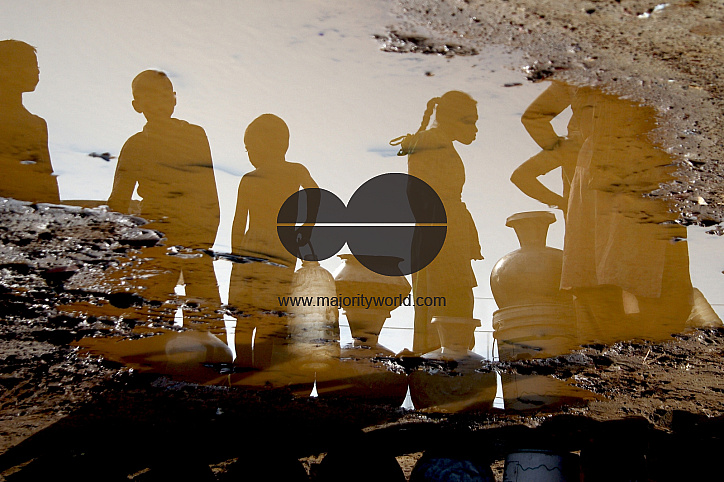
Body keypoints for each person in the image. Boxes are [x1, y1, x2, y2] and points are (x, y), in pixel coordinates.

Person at [108, 70, 220, 308]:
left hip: (196, 237)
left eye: (165, 94)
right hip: (155, 238)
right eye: (151, 97)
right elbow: (118, 201)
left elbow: (208, 187)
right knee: (155, 313)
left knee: (206, 314)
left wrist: (208, 235)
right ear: (136, 105)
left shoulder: (195, 135)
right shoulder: (134, 145)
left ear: (174, 98)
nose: (160, 101)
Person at [393, 91, 483, 353]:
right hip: (440, 236)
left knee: (455, 304)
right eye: (471, 121)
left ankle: (454, 370)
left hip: (449, 233)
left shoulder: (440, 142)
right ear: (453, 119)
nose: (476, 129)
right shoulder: (430, 141)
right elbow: (417, 194)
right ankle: (440, 375)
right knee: (444, 308)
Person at [228, 113, 318, 368]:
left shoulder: (287, 172)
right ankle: (250, 365)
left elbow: (237, 224)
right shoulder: (256, 177)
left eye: (250, 148)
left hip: (263, 246)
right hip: (273, 246)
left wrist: (307, 226)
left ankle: (251, 366)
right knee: (262, 313)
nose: (249, 154)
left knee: (255, 313)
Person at [0, 40, 59, 203]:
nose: (37, 72)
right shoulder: (34, 124)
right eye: (29, 65)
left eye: (37, 67)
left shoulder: (37, 124)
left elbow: (46, 176)